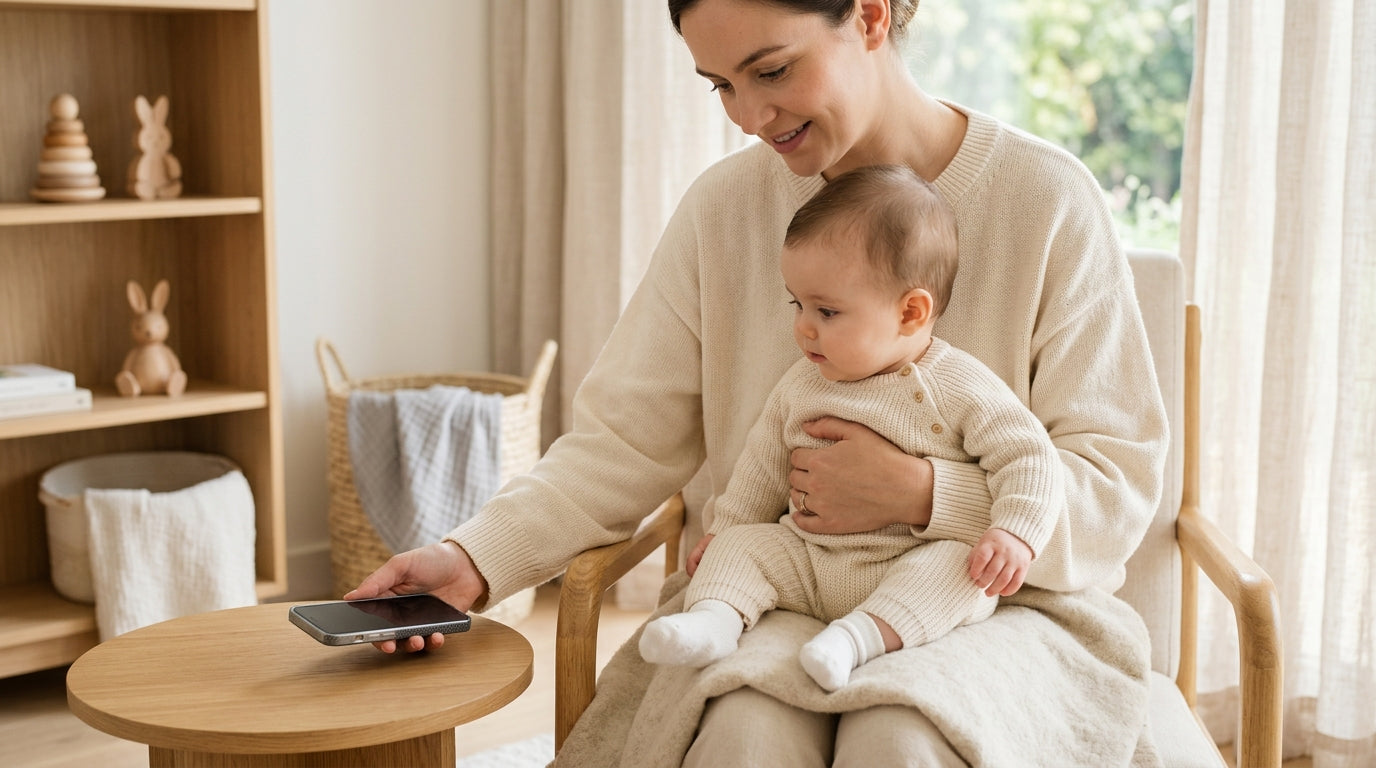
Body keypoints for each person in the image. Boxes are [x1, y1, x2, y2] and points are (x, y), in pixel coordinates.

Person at [348, 0, 1168, 764]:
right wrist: (474, 558)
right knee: (745, 729)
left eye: (771, 72)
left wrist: (924, 495)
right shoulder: (724, 209)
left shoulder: (1046, 200)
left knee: (900, 735)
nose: (748, 117)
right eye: (721, 86)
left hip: (1001, 605)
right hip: (782, 593)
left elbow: (1113, 488)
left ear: (872, 15)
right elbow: (619, 441)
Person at [638, 164, 1061, 692]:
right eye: (798, 304)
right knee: (742, 545)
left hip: (904, 564)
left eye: (828, 311)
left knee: (965, 573)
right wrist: (727, 529)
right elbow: (762, 464)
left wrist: (1014, 531)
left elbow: (1030, 457)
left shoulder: (960, 384)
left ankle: (855, 641)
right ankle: (715, 623)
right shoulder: (803, 382)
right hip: (807, 560)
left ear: (910, 312)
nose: (803, 328)